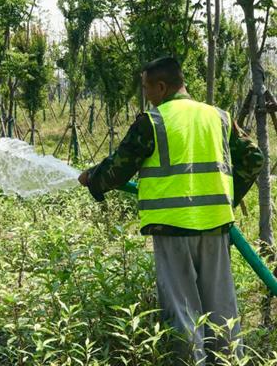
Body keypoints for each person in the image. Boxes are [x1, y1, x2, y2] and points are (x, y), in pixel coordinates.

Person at [78, 57, 264, 365]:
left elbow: (119, 168)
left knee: (182, 311)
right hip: (215, 226)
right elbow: (254, 158)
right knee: (222, 308)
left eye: (146, 87)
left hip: (172, 227)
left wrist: (92, 179)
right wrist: (225, 197)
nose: (145, 94)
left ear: (161, 87)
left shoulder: (152, 121)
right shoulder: (217, 116)